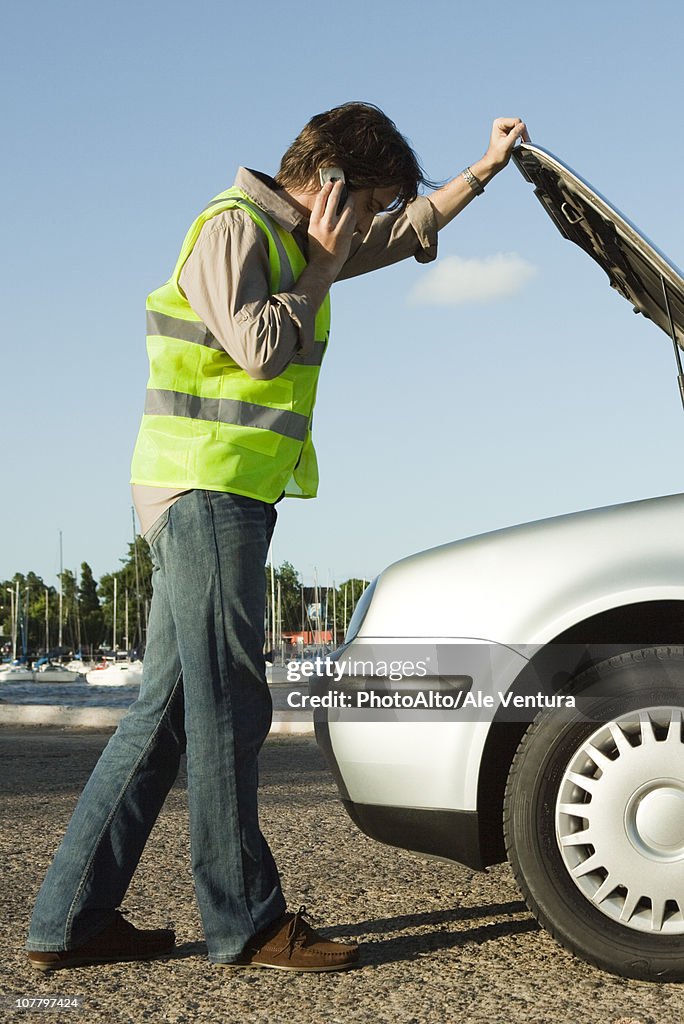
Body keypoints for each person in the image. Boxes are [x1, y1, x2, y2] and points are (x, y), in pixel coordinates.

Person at [26, 103, 528, 973]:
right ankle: (247, 923)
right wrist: (328, 263)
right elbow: (258, 346)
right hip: (204, 490)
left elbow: (405, 234)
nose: (368, 222)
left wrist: (481, 171)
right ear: (329, 182)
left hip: (228, 493)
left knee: (166, 717)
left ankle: (71, 919)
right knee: (230, 708)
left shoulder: (305, 243)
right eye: (366, 200)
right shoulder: (237, 229)